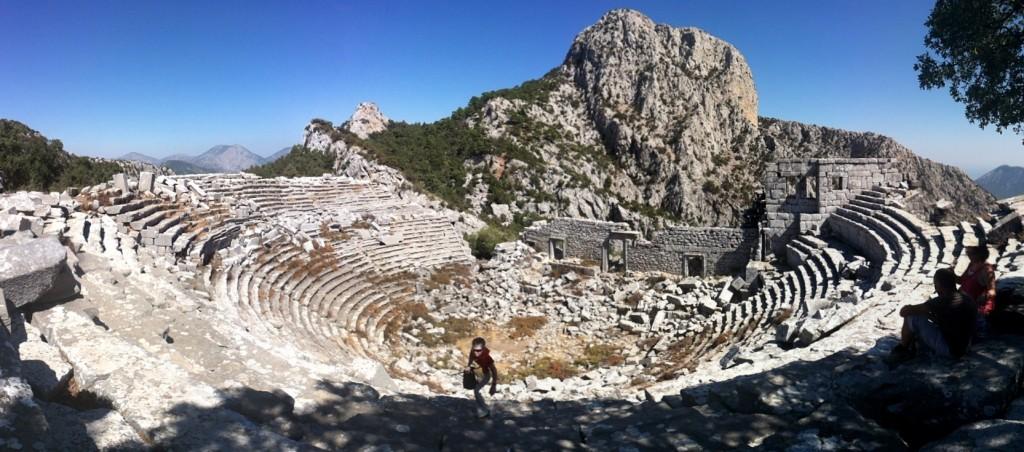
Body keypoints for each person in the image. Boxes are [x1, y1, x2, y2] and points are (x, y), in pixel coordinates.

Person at [889, 268, 977, 363]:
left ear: (938, 284)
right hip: (965, 345)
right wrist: (926, 314)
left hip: (951, 350)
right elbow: (950, 322)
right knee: (922, 316)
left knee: (912, 318)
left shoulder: (942, 301)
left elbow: (903, 312)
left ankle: (903, 349)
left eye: (935, 284)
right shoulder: (966, 298)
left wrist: (914, 309)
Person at [959, 245, 997, 337]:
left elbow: (992, 291)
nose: (968, 255)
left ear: (979, 254)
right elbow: (962, 280)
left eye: (970, 253)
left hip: (978, 309)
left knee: (978, 335)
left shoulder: (987, 270)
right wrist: (950, 275)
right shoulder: (971, 264)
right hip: (967, 304)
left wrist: (984, 296)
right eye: (967, 252)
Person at [465, 337, 498, 418]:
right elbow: (471, 358)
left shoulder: (487, 358)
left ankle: (485, 410)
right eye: (474, 350)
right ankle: (482, 408)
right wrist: (468, 367)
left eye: (478, 351)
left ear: (483, 349)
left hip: (486, 374)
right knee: (475, 389)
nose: (476, 352)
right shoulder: (473, 352)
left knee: (476, 390)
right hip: (479, 372)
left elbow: (494, 371)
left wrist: (493, 386)